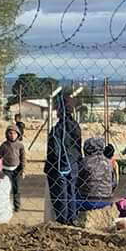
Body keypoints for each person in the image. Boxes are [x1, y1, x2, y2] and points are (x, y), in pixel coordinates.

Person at [44, 94, 82, 225]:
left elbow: (54, 151)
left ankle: (63, 222)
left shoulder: (57, 129)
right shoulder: (76, 126)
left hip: (59, 167)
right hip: (73, 165)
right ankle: (71, 220)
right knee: (71, 193)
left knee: (60, 196)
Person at [77, 136, 116, 210]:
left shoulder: (84, 162)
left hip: (88, 200)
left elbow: (78, 181)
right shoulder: (109, 163)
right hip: (107, 200)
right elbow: (114, 182)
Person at [0, 123, 26, 213]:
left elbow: (23, 159)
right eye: (10, 133)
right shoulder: (4, 145)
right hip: (5, 170)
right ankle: (5, 206)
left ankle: (17, 207)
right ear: (7, 134)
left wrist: (23, 170)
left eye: (14, 133)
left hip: (16, 170)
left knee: (16, 189)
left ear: (18, 134)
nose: (12, 135)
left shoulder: (20, 145)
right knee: (5, 189)